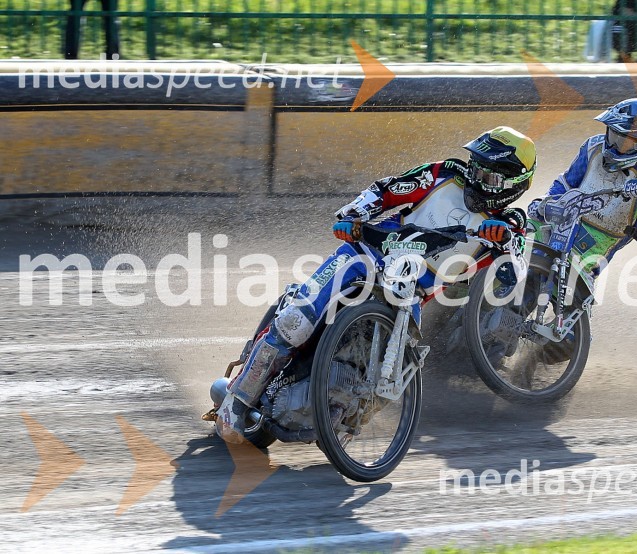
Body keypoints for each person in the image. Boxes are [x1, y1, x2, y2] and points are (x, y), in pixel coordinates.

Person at [216, 126, 537, 444]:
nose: (477, 178)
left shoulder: (512, 222)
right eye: (476, 166)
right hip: (366, 252)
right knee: (296, 319)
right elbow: (388, 190)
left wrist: (505, 242)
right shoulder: (445, 173)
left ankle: (342, 418)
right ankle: (236, 402)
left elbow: (515, 273)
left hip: (412, 294)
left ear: (513, 186)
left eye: (489, 176)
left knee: (395, 373)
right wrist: (353, 214)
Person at [528, 98, 637, 276]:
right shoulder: (593, 146)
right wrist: (546, 202)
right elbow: (565, 183)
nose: (614, 144)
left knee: (563, 274)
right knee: (517, 239)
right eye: (613, 134)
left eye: (624, 140)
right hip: (564, 218)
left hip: (600, 241)